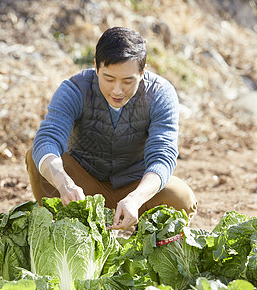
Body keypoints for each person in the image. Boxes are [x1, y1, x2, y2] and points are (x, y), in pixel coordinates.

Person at [25, 27, 197, 230]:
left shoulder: (160, 94)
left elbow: (163, 155)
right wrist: (65, 185)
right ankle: (71, 227)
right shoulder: (75, 89)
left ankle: (138, 232)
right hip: (83, 190)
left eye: (127, 81)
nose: (117, 90)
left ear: (142, 72)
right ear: (96, 67)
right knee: (37, 159)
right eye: (108, 78)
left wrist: (135, 198)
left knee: (181, 198)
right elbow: (48, 139)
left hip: (136, 187)